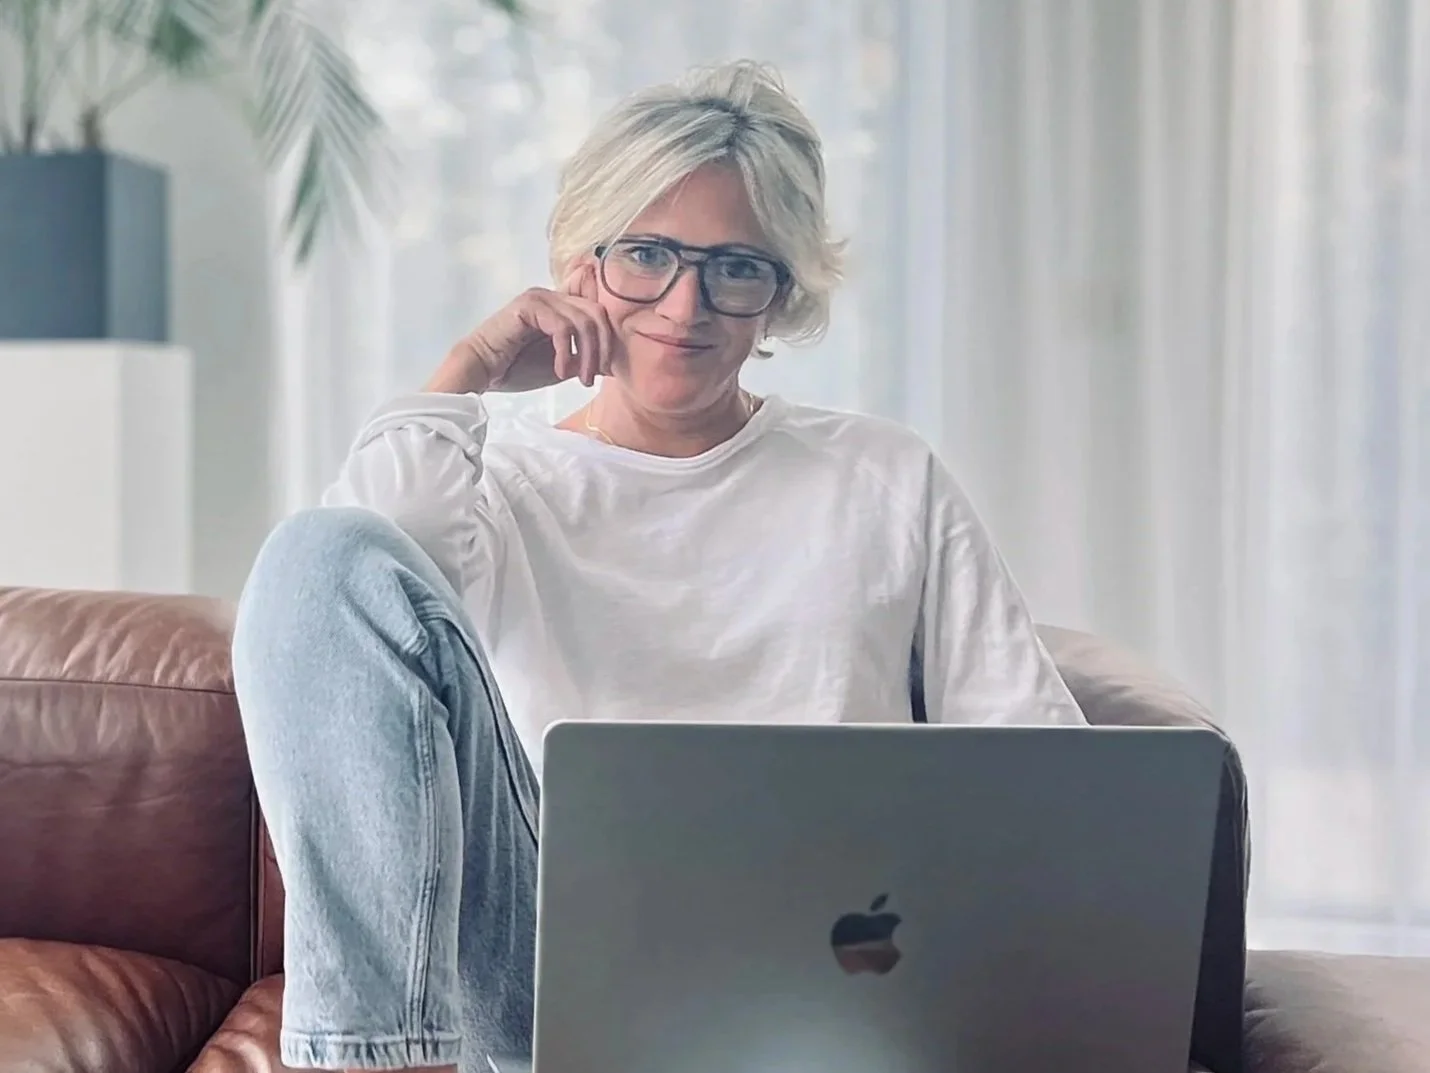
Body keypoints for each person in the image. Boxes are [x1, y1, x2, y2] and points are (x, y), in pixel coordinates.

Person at [232, 59, 1086, 1073]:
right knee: (315, 550)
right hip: (537, 985)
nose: (685, 305)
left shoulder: (885, 477)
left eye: (734, 267)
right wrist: (462, 378)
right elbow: (345, 603)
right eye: (646, 254)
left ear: (778, 294)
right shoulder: (485, 466)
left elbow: (1041, 767)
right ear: (581, 265)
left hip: (825, 980)